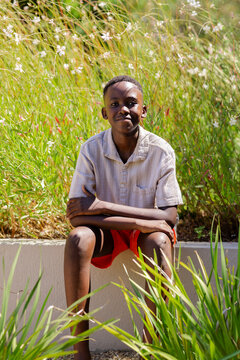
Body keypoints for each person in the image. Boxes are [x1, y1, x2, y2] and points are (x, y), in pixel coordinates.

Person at [64, 75, 183, 360]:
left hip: (144, 235)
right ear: (104, 112)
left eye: (131, 103)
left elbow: (169, 216)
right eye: (114, 104)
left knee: (160, 242)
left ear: (144, 110)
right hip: (106, 234)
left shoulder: (161, 150)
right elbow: (78, 218)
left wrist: (101, 205)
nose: (123, 110)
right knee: (78, 240)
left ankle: (149, 351)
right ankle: (81, 354)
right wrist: (139, 220)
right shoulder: (91, 149)